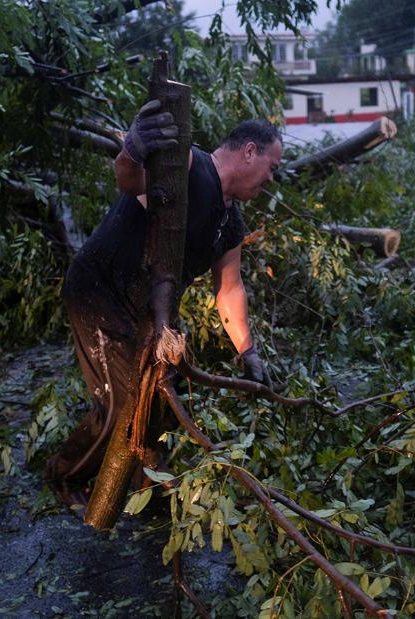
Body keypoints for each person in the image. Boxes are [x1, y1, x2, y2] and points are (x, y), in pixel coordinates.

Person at [45, 100, 282, 506]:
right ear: (248, 152)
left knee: (157, 400)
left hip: (146, 312)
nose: (272, 180)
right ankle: (64, 476)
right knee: (121, 402)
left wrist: (250, 354)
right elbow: (130, 181)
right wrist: (132, 150)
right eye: (272, 167)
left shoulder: (232, 222)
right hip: (100, 290)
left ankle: (141, 488)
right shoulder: (189, 165)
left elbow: (229, 291)